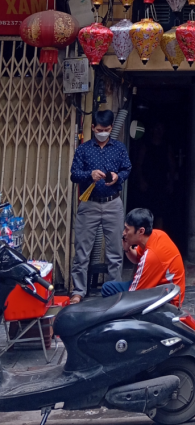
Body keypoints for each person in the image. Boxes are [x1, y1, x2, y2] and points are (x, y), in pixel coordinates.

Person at [69, 109, 132, 304]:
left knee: (115, 251)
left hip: (113, 203)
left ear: (111, 128)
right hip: (89, 204)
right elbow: (74, 174)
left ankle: (114, 292)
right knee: (82, 250)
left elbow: (127, 168)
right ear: (92, 128)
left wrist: (117, 177)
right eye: (99, 129)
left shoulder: (119, 148)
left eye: (106, 129)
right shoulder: (84, 149)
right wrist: (90, 174)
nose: (102, 132)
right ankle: (78, 291)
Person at [101, 207, 186, 306]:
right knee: (108, 287)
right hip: (160, 289)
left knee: (111, 292)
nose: (124, 233)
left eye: (127, 229)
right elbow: (137, 257)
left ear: (141, 231)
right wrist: (127, 248)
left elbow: (134, 295)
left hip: (167, 300)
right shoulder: (157, 234)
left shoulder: (152, 255)